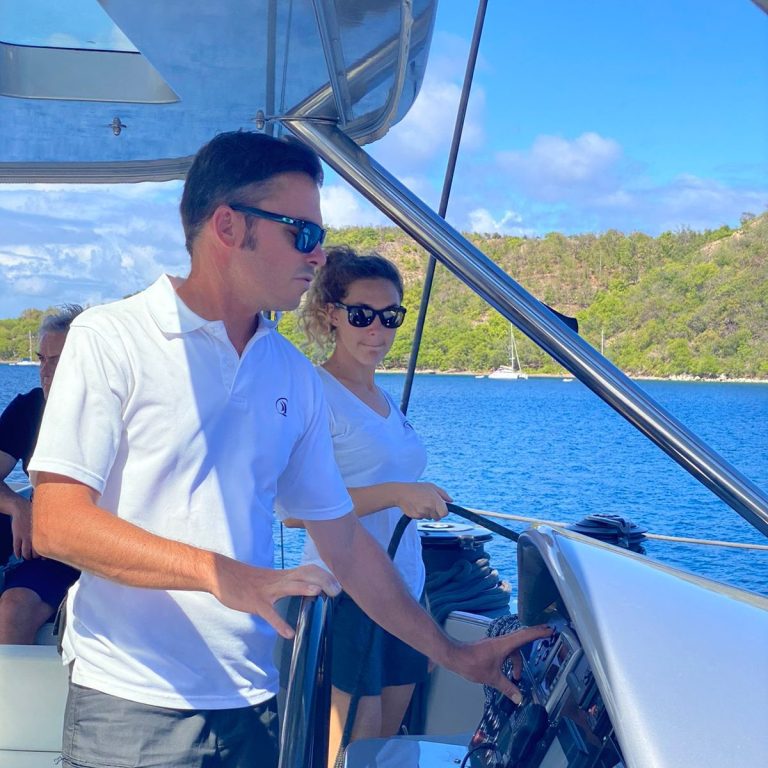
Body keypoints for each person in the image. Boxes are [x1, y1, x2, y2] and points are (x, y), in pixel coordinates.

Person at [29, 131, 550, 768]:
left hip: (253, 700)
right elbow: (57, 522)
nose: (318, 253)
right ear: (228, 226)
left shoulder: (293, 375)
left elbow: (347, 544)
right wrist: (223, 574)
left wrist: (454, 653)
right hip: (133, 702)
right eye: (301, 232)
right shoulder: (113, 338)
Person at [287, 246, 452, 763]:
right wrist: (398, 494)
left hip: (405, 587)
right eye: (361, 315)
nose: (376, 331)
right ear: (331, 314)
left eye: (390, 317)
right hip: (349, 592)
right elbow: (293, 509)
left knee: (388, 744)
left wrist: (417, 493)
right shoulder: (314, 391)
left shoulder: (384, 401)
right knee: (355, 744)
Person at [0, 305, 82, 644]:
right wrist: (19, 506)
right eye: (41, 359)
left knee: (12, 609)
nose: (44, 371)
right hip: (36, 533)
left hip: (81, 547)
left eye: (56, 360)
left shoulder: (121, 416)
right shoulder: (30, 407)